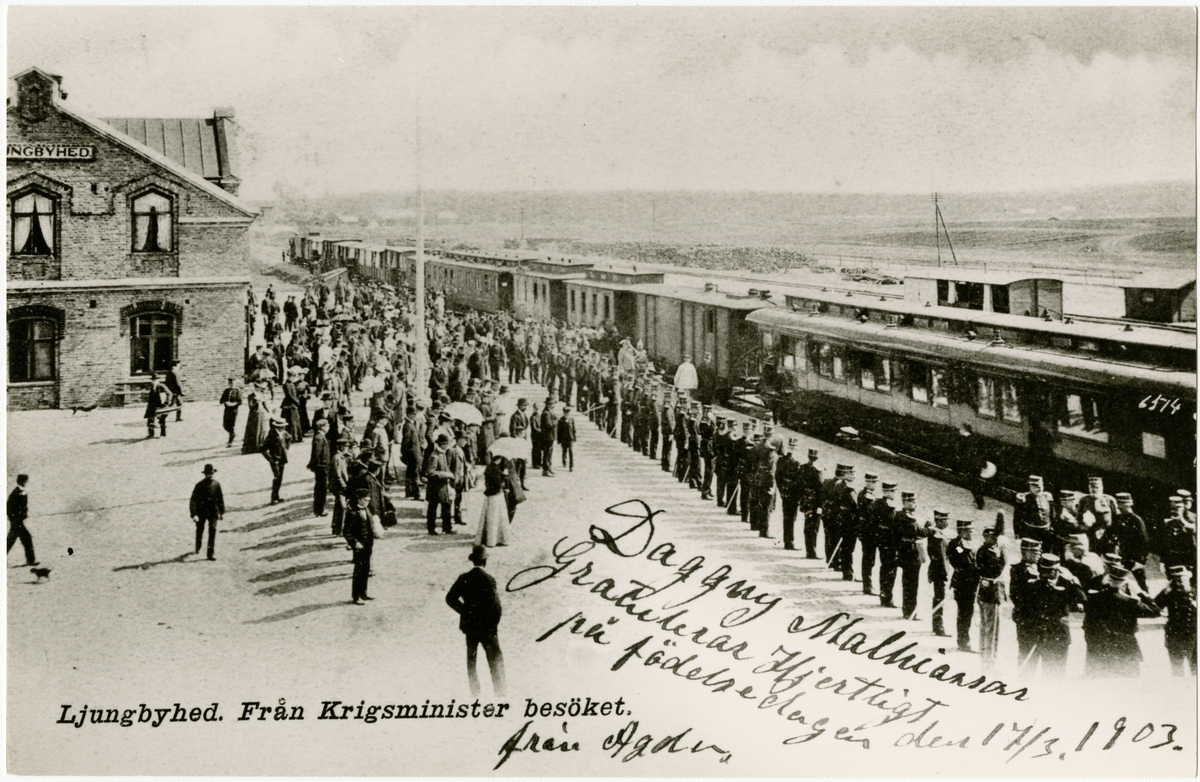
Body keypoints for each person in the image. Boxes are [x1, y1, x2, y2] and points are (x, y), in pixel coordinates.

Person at [446, 546, 507, 697]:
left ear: (473, 561)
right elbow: (497, 607)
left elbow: (450, 598)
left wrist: (465, 612)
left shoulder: (463, 578)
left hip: (470, 626)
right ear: (485, 561)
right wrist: (493, 624)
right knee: (495, 657)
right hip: (487, 628)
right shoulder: (489, 579)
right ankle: (500, 693)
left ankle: (475, 692)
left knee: (472, 659)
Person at [1084, 561, 1159, 677]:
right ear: (1124, 585)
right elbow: (1155, 611)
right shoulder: (1130, 602)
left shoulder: (1094, 599)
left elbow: (1087, 624)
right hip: (1126, 647)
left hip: (1102, 647)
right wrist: (1141, 593)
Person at [1024, 553, 1085, 678]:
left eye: (1057, 570)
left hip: (1060, 633)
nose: (1054, 573)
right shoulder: (1035, 585)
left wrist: (1072, 579)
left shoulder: (1067, 584)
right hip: (1042, 633)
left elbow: (1082, 598)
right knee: (1038, 669)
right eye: (1050, 571)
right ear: (1044, 572)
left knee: (1057, 672)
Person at [976, 514, 1008, 669]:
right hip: (990, 594)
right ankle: (989, 661)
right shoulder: (987, 552)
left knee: (986, 627)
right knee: (991, 629)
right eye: (992, 537)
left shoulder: (983, 550)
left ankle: (985, 658)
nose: (995, 540)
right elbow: (999, 568)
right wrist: (1003, 550)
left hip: (984, 592)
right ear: (986, 537)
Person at [1155, 565, 1197, 676]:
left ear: (1188, 578)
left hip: (1194, 635)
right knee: (1177, 667)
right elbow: (1155, 607)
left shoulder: (1195, 592)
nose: (1179, 582)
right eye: (1175, 579)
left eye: (1181, 578)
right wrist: (1165, 591)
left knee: (1196, 667)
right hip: (1175, 634)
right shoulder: (1169, 594)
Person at [946, 519, 979, 651]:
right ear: (961, 532)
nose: (971, 533)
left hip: (972, 583)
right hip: (962, 583)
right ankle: (963, 642)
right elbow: (963, 559)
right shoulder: (956, 545)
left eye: (972, 531)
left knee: (968, 612)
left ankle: (964, 640)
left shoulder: (973, 543)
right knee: (964, 612)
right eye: (969, 531)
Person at [343, 487, 376, 605]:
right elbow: (346, 532)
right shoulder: (351, 513)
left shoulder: (367, 509)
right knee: (358, 570)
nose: (368, 501)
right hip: (359, 546)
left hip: (368, 544)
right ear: (359, 499)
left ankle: (363, 593)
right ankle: (356, 596)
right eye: (366, 499)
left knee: (366, 569)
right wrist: (354, 543)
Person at [188, 464, 224, 560]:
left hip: (213, 511)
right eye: (208, 473)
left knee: (213, 530)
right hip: (201, 511)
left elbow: (220, 499)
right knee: (200, 530)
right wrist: (194, 514)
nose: (210, 475)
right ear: (205, 474)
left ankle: (210, 554)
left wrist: (221, 512)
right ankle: (198, 546)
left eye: (212, 473)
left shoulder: (216, 484)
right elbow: (193, 500)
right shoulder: (199, 485)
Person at [423, 433, 456, 535]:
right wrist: (446, 474)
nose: (448, 445)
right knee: (433, 508)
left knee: (446, 506)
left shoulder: (442, 454)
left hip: (442, 487)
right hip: (435, 487)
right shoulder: (434, 456)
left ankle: (447, 528)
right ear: (442, 444)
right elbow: (430, 472)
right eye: (447, 444)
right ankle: (431, 529)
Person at [775, 438, 803, 551]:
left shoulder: (781, 460)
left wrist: (782, 491)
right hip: (793, 494)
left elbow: (778, 477)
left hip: (785, 493)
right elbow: (799, 481)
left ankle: (787, 541)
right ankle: (789, 543)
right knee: (791, 518)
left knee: (787, 518)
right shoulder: (796, 463)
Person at [476, 455, 511, 547]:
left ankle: (488, 539)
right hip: (496, 494)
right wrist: (504, 477)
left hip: (489, 494)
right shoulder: (496, 469)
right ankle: (493, 540)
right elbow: (498, 484)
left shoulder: (489, 467)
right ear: (499, 459)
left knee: (489, 516)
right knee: (496, 517)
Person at [927, 511, 951, 637]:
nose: (947, 522)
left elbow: (953, 548)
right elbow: (940, 556)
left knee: (939, 597)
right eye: (945, 520)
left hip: (941, 570)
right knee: (939, 598)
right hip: (939, 571)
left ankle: (936, 625)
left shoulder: (942, 534)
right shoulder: (936, 535)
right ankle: (938, 626)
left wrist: (961, 551)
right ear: (939, 521)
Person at [7, 474, 37, 567]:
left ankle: (31, 560)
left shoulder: (21, 491)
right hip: (16, 521)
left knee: (10, 541)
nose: (26, 482)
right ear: (21, 482)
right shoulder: (16, 492)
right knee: (26, 538)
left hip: (17, 521)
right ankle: (31, 561)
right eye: (25, 481)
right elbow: (9, 507)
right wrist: (14, 519)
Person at [799, 448, 823, 560]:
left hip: (805, 502)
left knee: (808, 526)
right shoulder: (818, 471)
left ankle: (809, 551)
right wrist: (820, 506)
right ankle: (811, 552)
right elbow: (820, 490)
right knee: (813, 528)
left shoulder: (803, 467)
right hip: (814, 504)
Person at [262, 416, 291, 505]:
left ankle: (277, 496)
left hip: (282, 459)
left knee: (280, 477)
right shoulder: (271, 435)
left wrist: (287, 446)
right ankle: (273, 497)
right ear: (277, 427)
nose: (284, 427)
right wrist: (270, 459)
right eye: (282, 426)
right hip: (275, 460)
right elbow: (262, 448)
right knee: (277, 477)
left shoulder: (284, 433)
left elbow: (289, 437)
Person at [308, 419, 332, 517]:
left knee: (321, 488)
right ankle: (319, 509)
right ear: (322, 427)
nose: (328, 427)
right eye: (327, 425)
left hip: (322, 467)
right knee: (321, 489)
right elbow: (316, 454)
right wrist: (317, 466)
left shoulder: (321, 437)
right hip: (321, 468)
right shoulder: (319, 438)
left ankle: (319, 508)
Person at [144, 373, 169, 438]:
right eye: (153, 380)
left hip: (160, 406)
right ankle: (151, 434)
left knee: (162, 420)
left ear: (158, 380)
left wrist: (166, 403)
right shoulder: (152, 387)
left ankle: (163, 434)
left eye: (155, 380)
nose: (154, 381)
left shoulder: (161, 386)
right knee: (150, 420)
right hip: (152, 406)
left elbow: (169, 394)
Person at [219, 378, 242, 447]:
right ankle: (232, 434)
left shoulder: (238, 391)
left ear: (235, 383)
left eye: (233, 383)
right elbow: (221, 400)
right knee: (225, 425)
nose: (232, 384)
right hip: (227, 409)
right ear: (228, 384)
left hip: (234, 410)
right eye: (230, 383)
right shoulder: (226, 391)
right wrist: (225, 402)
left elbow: (240, 401)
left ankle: (230, 441)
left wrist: (233, 404)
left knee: (231, 425)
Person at [557, 405, 577, 472]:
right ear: (563, 413)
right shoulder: (561, 420)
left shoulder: (571, 419)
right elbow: (559, 431)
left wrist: (574, 437)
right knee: (564, 451)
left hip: (570, 439)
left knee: (571, 452)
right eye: (565, 413)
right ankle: (564, 462)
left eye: (568, 413)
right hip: (563, 439)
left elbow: (574, 429)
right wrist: (559, 440)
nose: (566, 414)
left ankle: (571, 466)